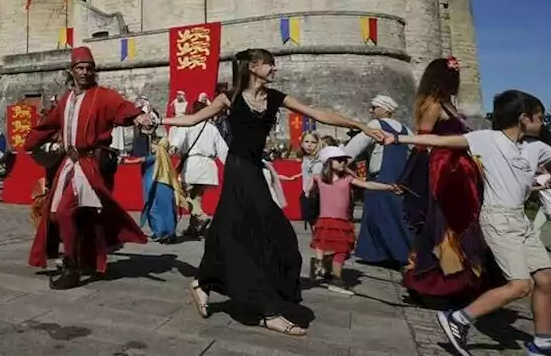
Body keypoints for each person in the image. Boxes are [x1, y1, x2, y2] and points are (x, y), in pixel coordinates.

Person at [384, 90, 551, 356]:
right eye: (540, 117)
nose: (543, 122)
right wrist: (396, 138)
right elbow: (440, 141)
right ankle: (459, 319)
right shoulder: (486, 139)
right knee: (520, 285)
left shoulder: (536, 148)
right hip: (497, 218)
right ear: (524, 118)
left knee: (546, 279)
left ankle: (543, 343)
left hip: (519, 219)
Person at [163, 48, 386, 338]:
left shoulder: (276, 98)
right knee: (267, 232)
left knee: (234, 230)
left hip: (255, 168)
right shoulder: (228, 98)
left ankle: (203, 282)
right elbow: (192, 120)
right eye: (270, 64)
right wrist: (158, 122)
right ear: (254, 67)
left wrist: (358, 126)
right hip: (238, 168)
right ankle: (267, 311)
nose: (274, 69)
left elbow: (317, 113)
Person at [23, 45, 152, 290]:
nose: (85, 72)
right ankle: (84, 258)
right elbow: (49, 124)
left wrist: (138, 116)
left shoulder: (102, 95)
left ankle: (72, 267)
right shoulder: (67, 99)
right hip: (69, 163)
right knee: (56, 214)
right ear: (72, 71)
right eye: (80, 68)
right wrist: (31, 142)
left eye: (89, 68)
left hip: (88, 164)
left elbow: (121, 106)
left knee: (64, 212)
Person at [396, 56, 493, 302]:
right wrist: (409, 177)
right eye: (453, 76)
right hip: (444, 169)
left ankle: (462, 280)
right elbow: (422, 141)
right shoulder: (433, 106)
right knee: (444, 224)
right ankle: (436, 283)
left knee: (462, 222)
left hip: (460, 170)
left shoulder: (448, 104)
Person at [307, 145, 402, 292]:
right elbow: (309, 192)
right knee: (330, 250)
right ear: (328, 162)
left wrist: (388, 187)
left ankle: (332, 275)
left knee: (341, 251)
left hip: (342, 221)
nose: (343, 163)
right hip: (326, 220)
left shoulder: (348, 179)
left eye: (344, 160)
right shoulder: (318, 179)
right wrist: (309, 192)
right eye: (338, 160)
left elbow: (367, 184)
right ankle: (331, 274)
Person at [342, 94, 413, 266]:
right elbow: (416, 148)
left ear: (385, 109)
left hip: (381, 175)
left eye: (374, 107)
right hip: (400, 177)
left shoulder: (375, 125)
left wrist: (341, 159)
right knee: (397, 216)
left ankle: (378, 254)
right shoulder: (404, 129)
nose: (371, 110)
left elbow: (357, 144)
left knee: (376, 216)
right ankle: (403, 253)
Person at [169, 104, 227, 238]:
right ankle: (193, 229)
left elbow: (178, 140)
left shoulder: (188, 125)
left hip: (193, 165)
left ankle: (201, 216)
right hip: (208, 166)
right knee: (196, 197)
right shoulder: (212, 128)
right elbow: (222, 150)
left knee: (182, 195)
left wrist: (173, 148)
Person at [130, 123, 183, 244]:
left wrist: (124, 160)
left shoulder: (158, 154)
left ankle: (165, 233)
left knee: (158, 208)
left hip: (159, 182)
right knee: (162, 208)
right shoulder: (163, 155)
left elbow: (141, 159)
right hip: (162, 182)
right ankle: (164, 233)